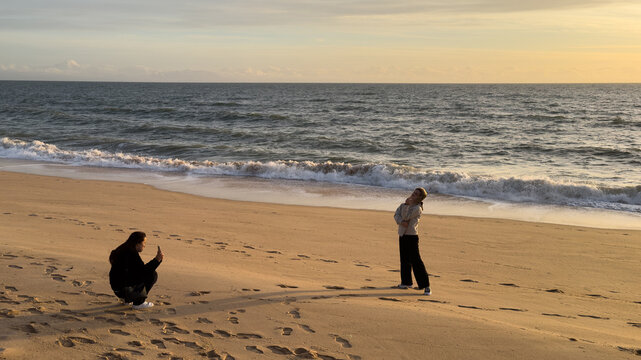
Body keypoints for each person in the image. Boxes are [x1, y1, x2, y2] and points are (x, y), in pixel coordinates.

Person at [109, 231, 164, 309]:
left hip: (117, 289)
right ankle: (138, 302)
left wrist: (157, 261)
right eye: (144, 243)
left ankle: (127, 300)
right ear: (137, 243)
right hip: (124, 289)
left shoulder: (122, 249)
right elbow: (144, 271)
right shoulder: (131, 254)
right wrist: (157, 260)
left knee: (140, 274)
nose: (144, 246)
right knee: (152, 275)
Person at [393, 187, 431, 295]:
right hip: (402, 234)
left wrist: (406, 206)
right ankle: (406, 282)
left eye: (416, 194)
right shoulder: (403, 205)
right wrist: (401, 221)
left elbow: (406, 216)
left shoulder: (417, 208)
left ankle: (425, 286)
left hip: (412, 236)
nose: (413, 195)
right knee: (404, 259)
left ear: (420, 198)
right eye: (413, 193)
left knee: (416, 261)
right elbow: (396, 215)